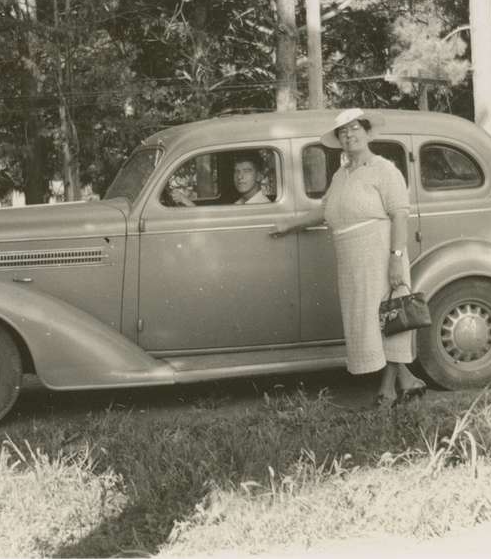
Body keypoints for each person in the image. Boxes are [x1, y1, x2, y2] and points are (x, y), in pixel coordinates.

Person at [271, 108, 426, 407]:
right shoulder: (341, 174)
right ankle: (408, 381)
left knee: (388, 317)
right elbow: (324, 210)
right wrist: (288, 225)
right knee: (368, 321)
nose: (349, 135)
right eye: (343, 131)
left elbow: (399, 215)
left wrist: (395, 257)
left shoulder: (384, 169)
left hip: (379, 253)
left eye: (355, 128)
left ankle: (387, 391)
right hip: (352, 259)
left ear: (368, 133)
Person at [170, 152, 271, 206]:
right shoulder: (241, 202)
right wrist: (186, 201)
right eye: (237, 171)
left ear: (259, 176)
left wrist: (186, 202)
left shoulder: (262, 206)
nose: (240, 176)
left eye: (247, 171)